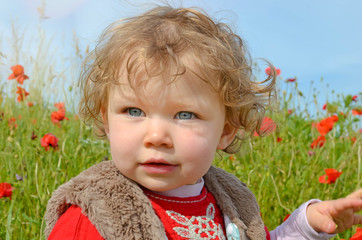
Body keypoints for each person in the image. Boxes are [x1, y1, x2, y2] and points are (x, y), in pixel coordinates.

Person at [44, 5, 362, 240]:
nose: (156, 136)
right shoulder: (94, 217)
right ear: (106, 119)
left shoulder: (232, 202)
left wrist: (305, 227)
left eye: (185, 115)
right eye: (133, 111)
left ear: (225, 130)